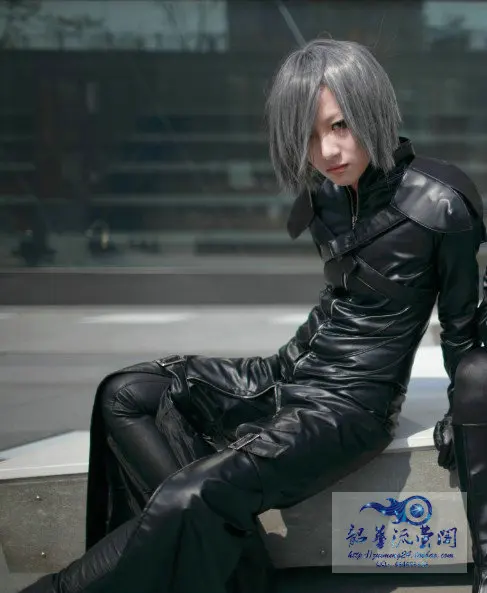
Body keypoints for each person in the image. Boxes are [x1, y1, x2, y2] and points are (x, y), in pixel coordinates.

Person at [22, 38, 486, 593]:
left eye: (340, 125)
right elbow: (339, 303)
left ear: (373, 110)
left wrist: (460, 412)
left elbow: (461, 328)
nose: (327, 151)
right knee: (125, 393)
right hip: (286, 373)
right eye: (309, 136)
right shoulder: (327, 195)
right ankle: (237, 568)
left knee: (191, 494)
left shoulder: (441, 202)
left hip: (349, 405)